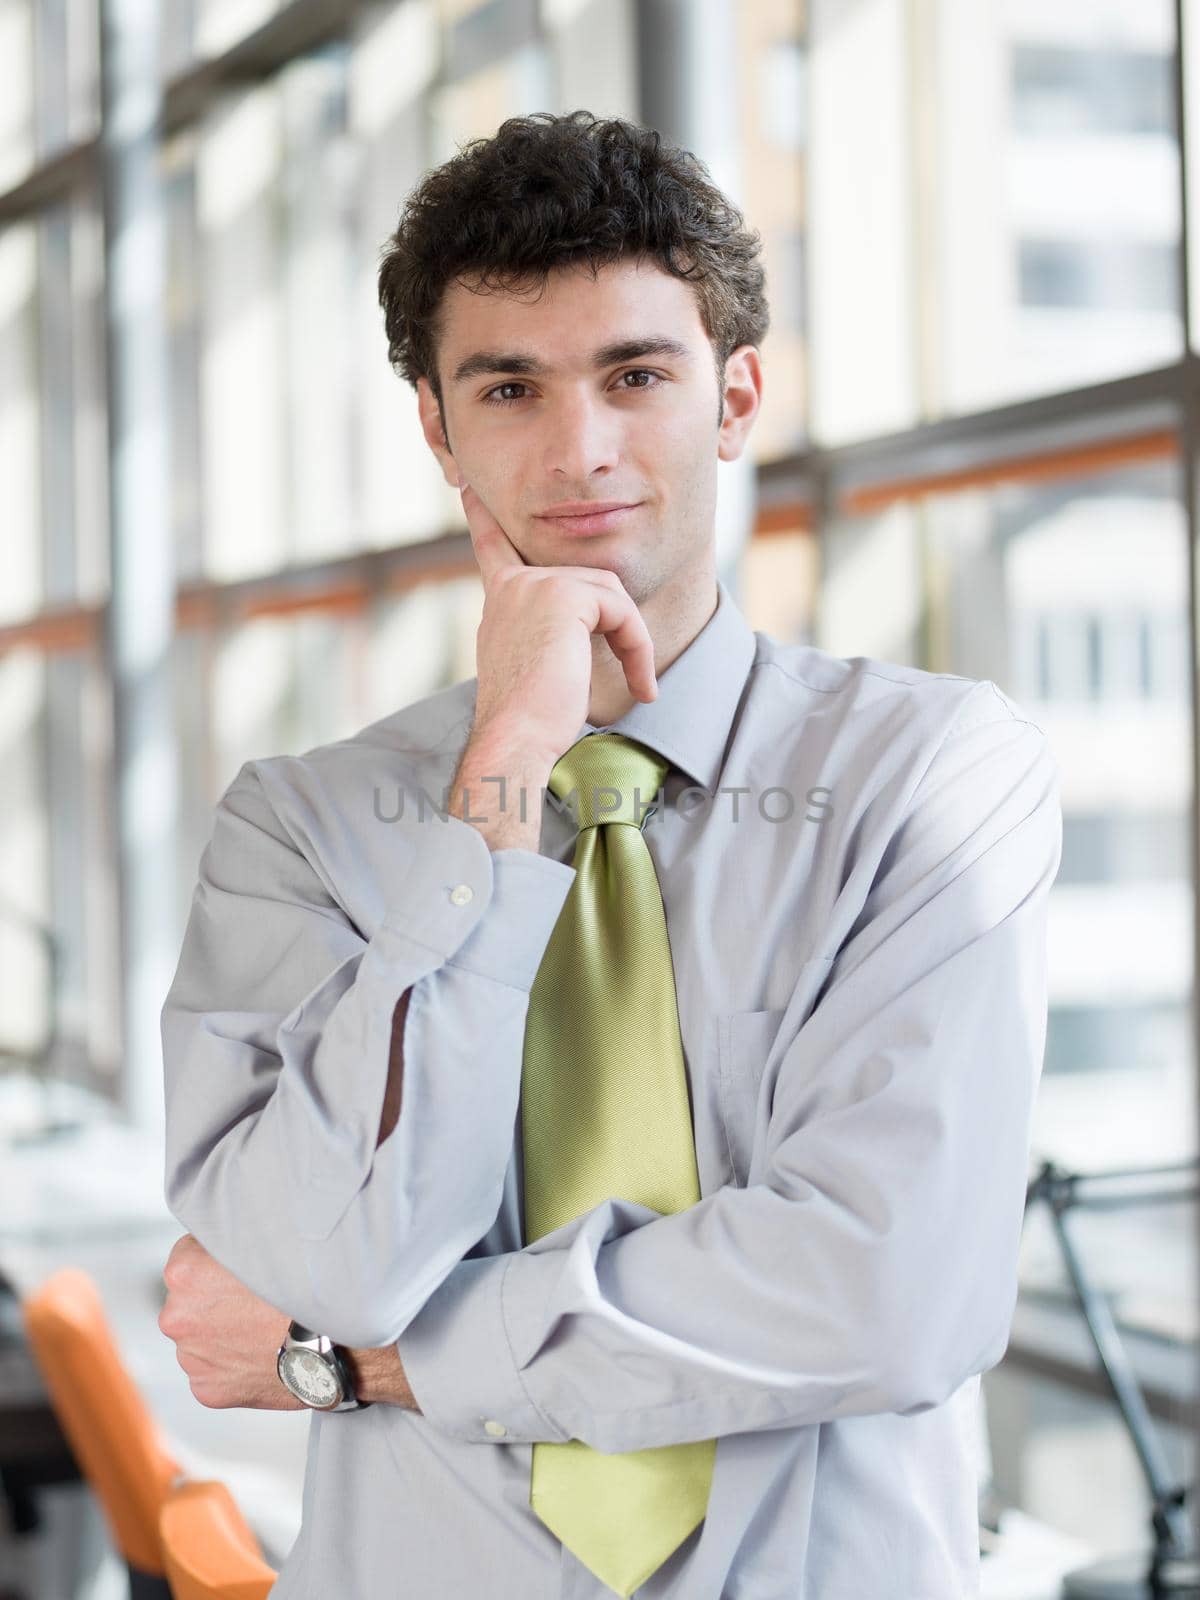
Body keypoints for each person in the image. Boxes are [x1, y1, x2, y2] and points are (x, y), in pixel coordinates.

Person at [157, 110, 1062, 1599]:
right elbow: (336, 1256)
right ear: (440, 431)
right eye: (509, 388)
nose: (580, 450)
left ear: (737, 394)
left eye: (635, 374)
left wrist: (369, 1367)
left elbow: (886, 1300)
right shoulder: (298, 827)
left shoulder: (932, 776)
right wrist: (503, 778)